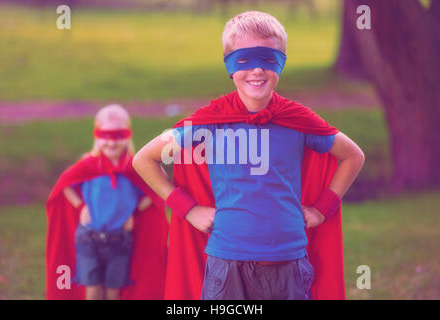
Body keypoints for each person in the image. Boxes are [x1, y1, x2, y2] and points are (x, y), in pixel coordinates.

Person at [133, 11, 365, 300]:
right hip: (227, 263)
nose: (257, 70)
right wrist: (188, 209)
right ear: (229, 65)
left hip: (288, 261)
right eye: (245, 60)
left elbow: (353, 155)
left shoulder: (297, 119)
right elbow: (143, 159)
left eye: (268, 60)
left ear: (281, 62)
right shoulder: (210, 121)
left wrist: (322, 209)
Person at [46, 104, 169, 300]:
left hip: (120, 240)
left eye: (118, 136)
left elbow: (154, 191)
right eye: (106, 136)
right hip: (88, 240)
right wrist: (80, 206)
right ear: (97, 136)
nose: (111, 143)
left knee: (114, 291)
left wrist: (135, 212)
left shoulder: (135, 167)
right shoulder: (88, 165)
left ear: (127, 136)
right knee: (92, 289)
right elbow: (65, 185)